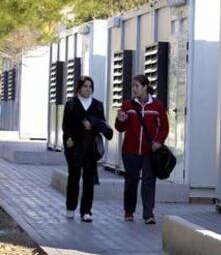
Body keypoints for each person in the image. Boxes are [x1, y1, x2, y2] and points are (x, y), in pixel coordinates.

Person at [115, 74, 169, 224]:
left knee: (148, 181)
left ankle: (148, 214)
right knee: (131, 181)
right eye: (133, 86)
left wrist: (158, 141)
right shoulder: (128, 105)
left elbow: (164, 127)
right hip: (130, 151)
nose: (134, 89)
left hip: (149, 152)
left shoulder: (157, 106)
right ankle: (129, 212)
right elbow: (120, 128)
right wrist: (120, 120)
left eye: (137, 86)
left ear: (145, 87)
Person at [62, 76, 111, 223]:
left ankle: (86, 211)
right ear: (79, 88)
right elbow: (66, 126)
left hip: (90, 149)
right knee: (74, 178)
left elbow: (102, 124)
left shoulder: (97, 105)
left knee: (89, 180)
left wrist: (93, 125)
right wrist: (74, 133)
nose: (88, 89)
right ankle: (70, 207)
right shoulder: (71, 104)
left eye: (90, 86)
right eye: (85, 86)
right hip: (75, 148)